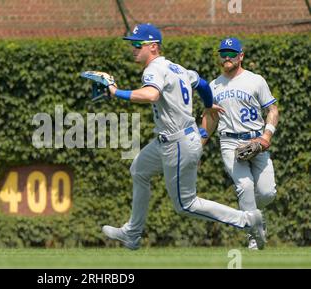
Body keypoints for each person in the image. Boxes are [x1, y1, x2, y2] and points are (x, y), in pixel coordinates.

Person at [101, 23, 267, 250]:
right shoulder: (176, 68)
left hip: (176, 142)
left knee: (186, 204)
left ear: (153, 47)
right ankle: (132, 233)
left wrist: (115, 91)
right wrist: (209, 105)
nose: (133, 48)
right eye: (132, 44)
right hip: (171, 140)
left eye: (138, 44)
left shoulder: (153, 70)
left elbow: (151, 95)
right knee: (138, 170)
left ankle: (248, 219)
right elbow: (202, 84)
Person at [201, 37, 279, 250]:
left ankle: (253, 215)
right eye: (223, 54)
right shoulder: (213, 86)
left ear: (241, 56)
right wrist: (198, 147)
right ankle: (253, 235)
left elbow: (272, 110)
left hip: (257, 140)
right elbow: (209, 118)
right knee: (244, 186)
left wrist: (266, 136)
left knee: (267, 193)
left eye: (231, 54)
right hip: (229, 142)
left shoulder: (256, 80)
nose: (227, 58)